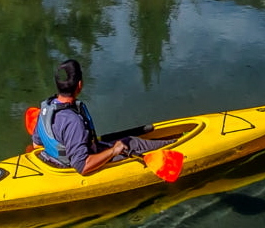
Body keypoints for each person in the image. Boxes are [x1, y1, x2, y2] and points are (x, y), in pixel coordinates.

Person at [32, 59, 166, 175]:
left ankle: (170, 144)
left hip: (54, 161)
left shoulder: (47, 108)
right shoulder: (73, 121)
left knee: (130, 141)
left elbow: (36, 144)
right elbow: (82, 166)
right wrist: (114, 151)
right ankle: (175, 149)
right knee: (131, 144)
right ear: (80, 85)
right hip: (75, 167)